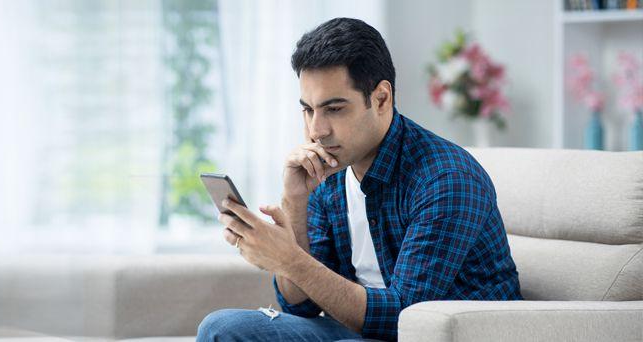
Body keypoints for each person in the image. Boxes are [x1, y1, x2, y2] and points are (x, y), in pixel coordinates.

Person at [196, 17, 522, 342]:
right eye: (308, 110)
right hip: (360, 331)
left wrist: (288, 259)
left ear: (381, 99)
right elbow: (301, 305)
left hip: (437, 334)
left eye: (334, 109)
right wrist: (295, 201)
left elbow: (405, 320)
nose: (316, 130)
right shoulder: (332, 168)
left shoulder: (447, 178)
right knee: (220, 328)